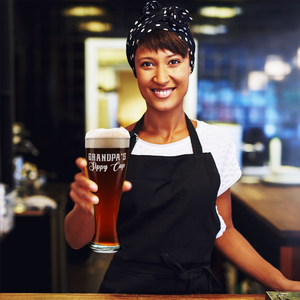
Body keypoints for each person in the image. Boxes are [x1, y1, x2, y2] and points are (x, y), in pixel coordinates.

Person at [64, 0, 300, 294]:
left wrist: (283, 283)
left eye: (173, 61)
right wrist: (83, 208)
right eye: (147, 63)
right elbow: (76, 240)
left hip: (196, 290)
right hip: (126, 289)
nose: (161, 77)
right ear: (136, 72)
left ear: (190, 65)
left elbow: (223, 231)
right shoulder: (112, 144)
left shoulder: (216, 142)